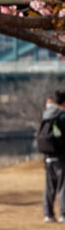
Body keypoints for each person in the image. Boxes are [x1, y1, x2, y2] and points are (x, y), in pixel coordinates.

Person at [37, 91, 65, 222]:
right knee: (63, 186)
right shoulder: (62, 116)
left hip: (48, 155)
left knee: (49, 187)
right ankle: (63, 214)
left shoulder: (47, 116)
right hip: (61, 156)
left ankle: (48, 214)